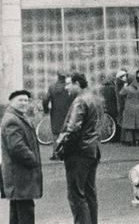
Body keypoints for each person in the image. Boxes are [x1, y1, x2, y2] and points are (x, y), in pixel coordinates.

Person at [60, 73, 102, 224]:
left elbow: (73, 129)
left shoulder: (79, 101)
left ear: (77, 84)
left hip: (79, 152)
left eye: (68, 84)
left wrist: (63, 148)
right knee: (90, 192)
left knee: (76, 194)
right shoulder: (94, 98)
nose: (66, 87)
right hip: (93, 149)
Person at [1, 90, 42, 224]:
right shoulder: (12, 120)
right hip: (20, 175)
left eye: (26, 100)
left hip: (19, 175)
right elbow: (16, 147)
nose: (24, 103)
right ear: (12, 102)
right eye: (20, 100)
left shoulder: (17, 117)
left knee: (17, 212)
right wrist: (32, 159)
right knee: (25, 212)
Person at [42, 70, 74, 160]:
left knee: (56, 133)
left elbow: (45, 99)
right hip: (69, 112)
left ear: (58, 76)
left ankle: (56, 154)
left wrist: (46, 110)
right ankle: (68, 153)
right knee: (68, 132)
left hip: (56, 113)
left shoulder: (52, 87)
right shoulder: (69, 87)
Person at [118, 78, 139, 147]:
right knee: (137, 125)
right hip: (138, 107)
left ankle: (130, 141)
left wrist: (124, 86)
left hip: (129, 108)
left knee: (129, 125)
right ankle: (137, 140)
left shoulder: (127, 89)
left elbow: (120, 94)